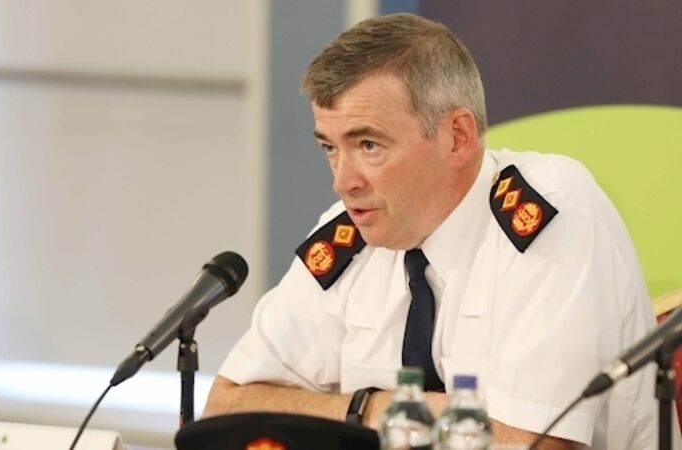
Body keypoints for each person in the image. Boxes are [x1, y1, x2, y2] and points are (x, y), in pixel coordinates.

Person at [204, 13, 668, 449]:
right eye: (330, 147)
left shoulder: (550, 215)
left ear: (457, 137)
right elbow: (226, 404)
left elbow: (535, 443)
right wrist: (375, 409)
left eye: (369, 144)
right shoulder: (349, 235)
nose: (343, 182)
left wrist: (334, 414)